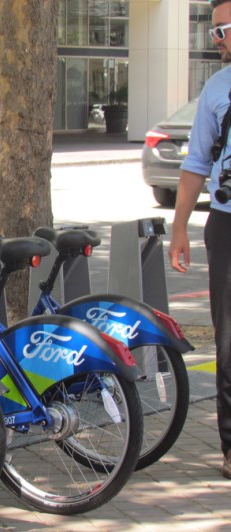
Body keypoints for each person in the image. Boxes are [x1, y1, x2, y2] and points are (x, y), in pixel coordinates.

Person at [169, 0, 231, 480]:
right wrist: (179, 227)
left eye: (227, 29)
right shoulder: (216, 87)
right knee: (229, 339)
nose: (220, 39)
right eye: (214, 32)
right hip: (227, 223)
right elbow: (195, 164)